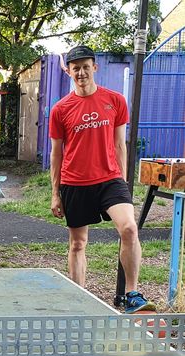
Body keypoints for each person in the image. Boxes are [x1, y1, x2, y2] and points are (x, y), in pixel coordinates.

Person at [49, 45, 155, 313]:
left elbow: (120, 144)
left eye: (86, 66)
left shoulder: (115, 100)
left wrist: (124, 181)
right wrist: (55, 192)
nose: (82, 72)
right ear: (69, 71)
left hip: (110, 179)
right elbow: (56, 154)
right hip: (74, 182)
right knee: (78, 244)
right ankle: (79, 301)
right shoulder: (60, 109)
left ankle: (132, 294)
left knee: (129, 229)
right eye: (76, 68)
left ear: (95, 67)